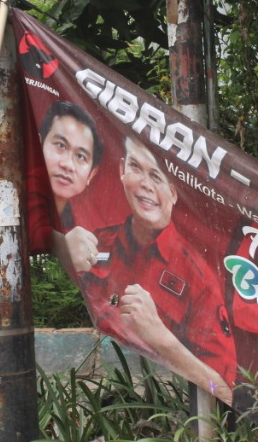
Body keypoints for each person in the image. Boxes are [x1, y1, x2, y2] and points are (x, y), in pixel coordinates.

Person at [78, 136, 236, 404]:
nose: (145, 184)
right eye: (136, 168)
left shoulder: (199, 279)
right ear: (121, 170)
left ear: (173, 193)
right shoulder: (98, 243)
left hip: (179, 418)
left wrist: (161, 337)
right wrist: (64, 243)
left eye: (157, 176)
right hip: (112, 411)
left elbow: (225, 391)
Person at [27, 101, 105, 273]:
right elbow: (32, 231)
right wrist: (62, 246)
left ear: (91, 174)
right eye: (61, 146)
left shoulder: (70, 216)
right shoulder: (28, 183)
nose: (68, 165)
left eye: (80, 156)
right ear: (39, 145)